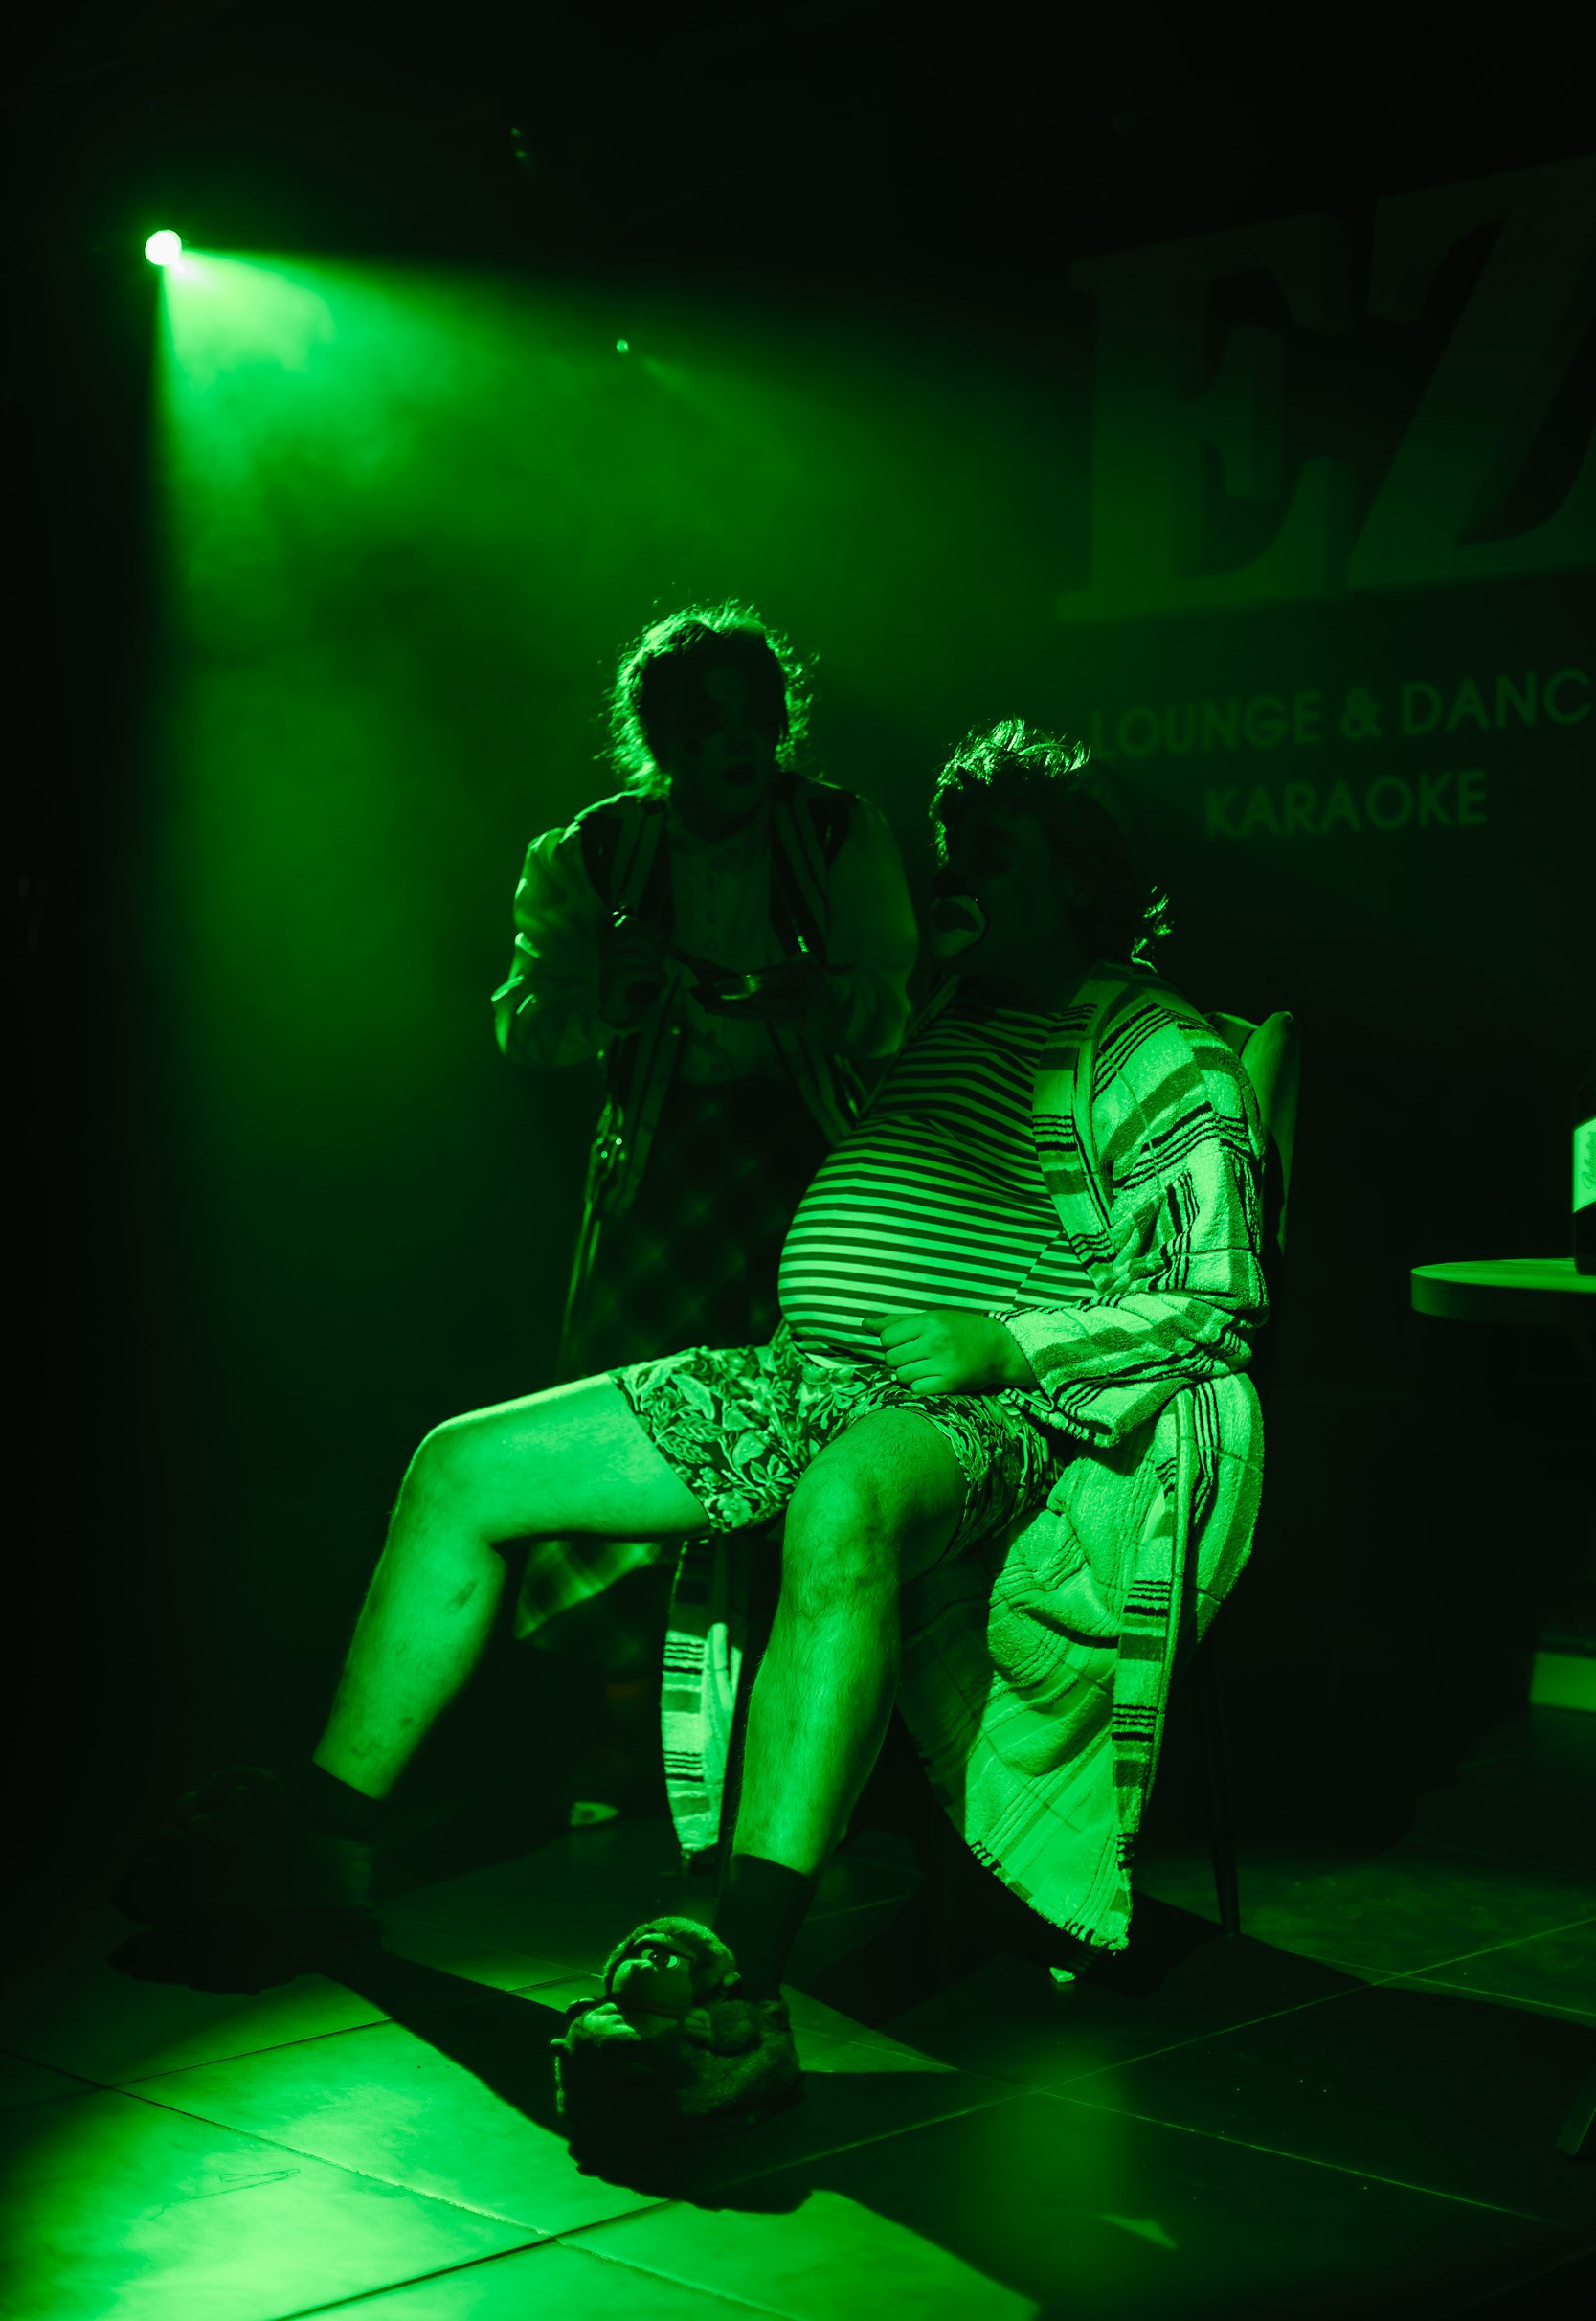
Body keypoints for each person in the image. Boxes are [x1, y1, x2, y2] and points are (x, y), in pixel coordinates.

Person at [118, 721, 1268, 2151]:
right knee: (460, 1464)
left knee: (842, 1501)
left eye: (993, 854)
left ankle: (737, 1984)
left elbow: (1215, 1299)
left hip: (990, 1414)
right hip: (805, 1377)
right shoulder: (938, 1016)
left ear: (1080, 878)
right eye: (949, 849)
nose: (956, 875)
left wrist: (1002, 1344)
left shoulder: (1154, 1041)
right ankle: (321, 1850)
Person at [489, 605, 918, 1823]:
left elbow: (895, 1006)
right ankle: (630, 1734)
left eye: (754, 717)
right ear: (661, 736)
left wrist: (815, 1002)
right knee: (629, 1442)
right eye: (706, 721)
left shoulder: (833, 831)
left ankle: (799, 1736)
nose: (737, 742)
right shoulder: (594, 850)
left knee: (802, 1450)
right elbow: (524, 1023)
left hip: (805, 1175)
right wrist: (608, 1004)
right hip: (661, 1182)